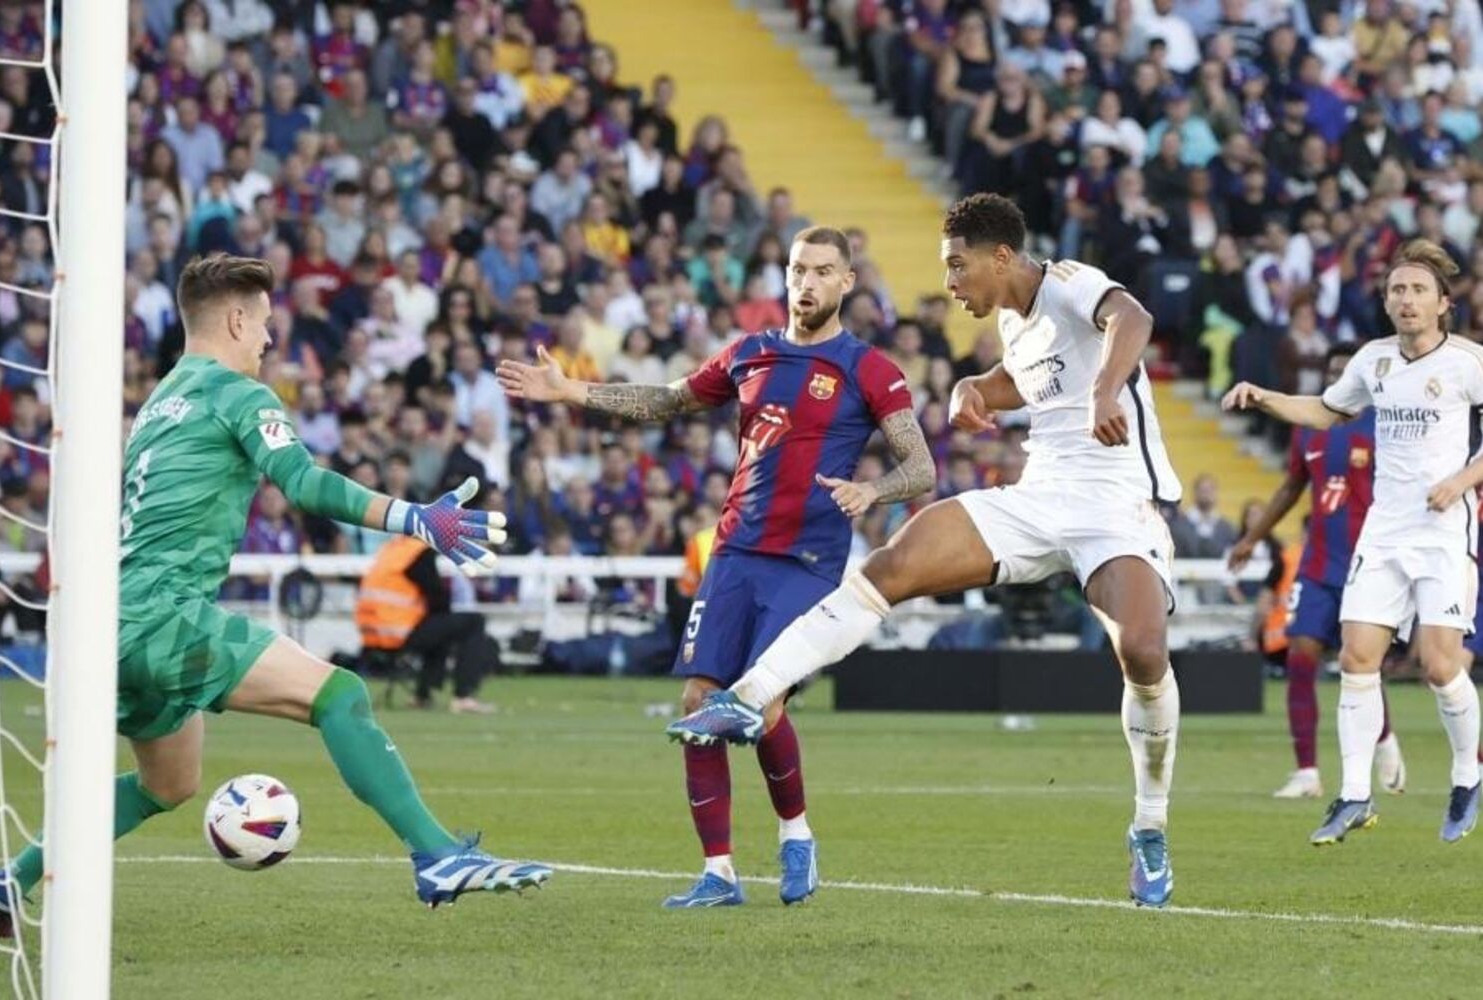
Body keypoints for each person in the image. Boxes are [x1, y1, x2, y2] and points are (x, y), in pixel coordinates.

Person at [0, 255, 547, 941]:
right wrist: (414, 518)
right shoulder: (239, 394)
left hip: (109, 621)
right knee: (341, 695)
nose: (269, 339)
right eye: (264, 324)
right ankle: (438, 856)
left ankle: (9, 881)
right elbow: (304, 483)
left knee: (168, 784)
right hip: (164, 615)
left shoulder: (161, 401)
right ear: (235, 319)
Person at [668, 194, 1184, 908]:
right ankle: (749, 698)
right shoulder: (1013, 322)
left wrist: (1104, 394)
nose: (949, 283)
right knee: (893, 565)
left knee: (1145, 655)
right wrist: (977, 387)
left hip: (1114, 503)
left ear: (1000, 257)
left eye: (957, 266)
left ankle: (1149, 827)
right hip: (1040, 496)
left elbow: (1133, 318)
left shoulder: (1069, 282)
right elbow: (1027, 381)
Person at [498, 227, 934, 908]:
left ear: (848, 282)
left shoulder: (868, 368)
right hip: (735, 551)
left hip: (806, 560)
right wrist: (570, 391)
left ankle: (796, 835)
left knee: (760, 697)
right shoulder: (750, 352)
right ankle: (719, 873)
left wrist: (872, 491)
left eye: (823, 271)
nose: (808, 283)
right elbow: (667, 401)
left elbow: (922, 465)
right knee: (699, 704)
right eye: (798, 270)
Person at [1223, 239, 1483, 846]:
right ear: (1386, 302)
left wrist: (1462, 481)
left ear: (1443, 303)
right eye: (1397, 290)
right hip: (1384, 532)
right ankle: (1354, 795)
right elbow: (1326, 410)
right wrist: (1265, 396)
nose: (1407, 299)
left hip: (1443, 533)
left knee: (1440, 665)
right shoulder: (1373, 360)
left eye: (1418, 290)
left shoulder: (1468, 363)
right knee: (1357, 658)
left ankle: (1466, 776)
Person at [1227, 343, 1407, 800]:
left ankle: (1384, 736)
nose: (1339, 379)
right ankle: (1307, 772)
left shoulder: (1385, 425)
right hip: (1318, 564)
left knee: (1358, 661)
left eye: (1347, 372)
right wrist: (1251, 539)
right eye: (1333, 372)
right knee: (1300, 656)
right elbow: (1291, 486)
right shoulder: (1309, 429)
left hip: (1369, 564)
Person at [356, 533, 500, 714]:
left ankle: (422, 695)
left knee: (439, 627)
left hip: (373, 636)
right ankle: (463, 696)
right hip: (398, 634)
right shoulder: (418, 552)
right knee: (473, 622)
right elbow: (437, 598)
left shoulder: (392, 549)